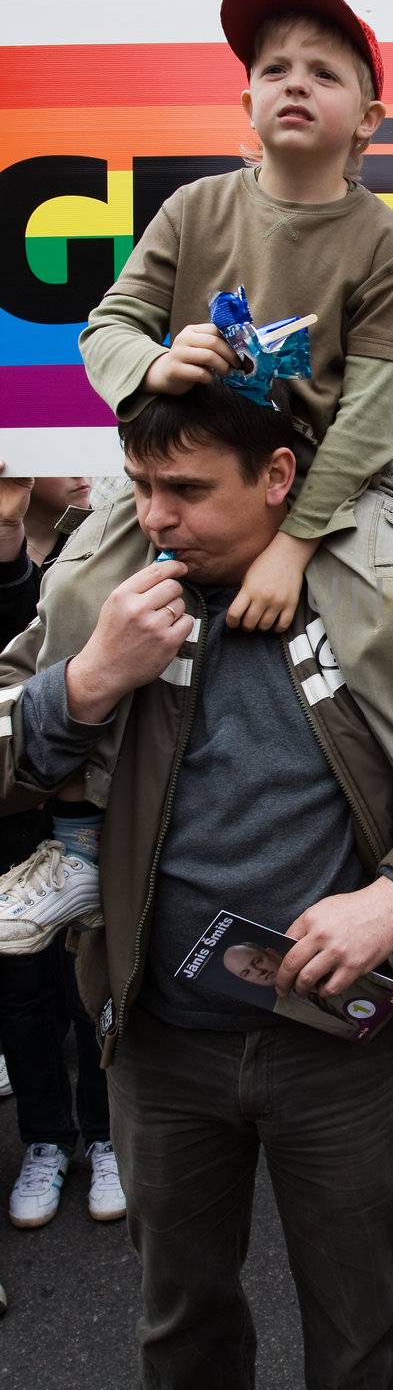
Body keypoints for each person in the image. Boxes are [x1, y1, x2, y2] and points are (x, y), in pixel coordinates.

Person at [0, 383, 393, 1388]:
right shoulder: (107, 596)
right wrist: (83, 685)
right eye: (139, 486)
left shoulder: (374, 595)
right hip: (158, 1052)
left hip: (333, 1052)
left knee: (365, 1339)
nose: (156, 515)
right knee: (183, 1335)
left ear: (278, 479)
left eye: (188, 489)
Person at [0, 0, 393, 950]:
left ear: (369, 117)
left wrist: (295, 545)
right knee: (78, 587)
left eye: (324, 73)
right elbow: (106, 327)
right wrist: (158, 362)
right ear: (245, 99)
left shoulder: (386, 243)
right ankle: (79, 846)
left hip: (334, 474)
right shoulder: (195, 210)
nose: (296, 83)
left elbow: (372, 418)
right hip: (201, 457)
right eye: (275, 67)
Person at [0, 471, 124, 1230]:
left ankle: (109, 1135)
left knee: (94, 984)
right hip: (15, 811)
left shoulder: (102, 539)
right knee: (20, 990)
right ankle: (46, 1140)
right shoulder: (20, 553)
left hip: (93, 815)